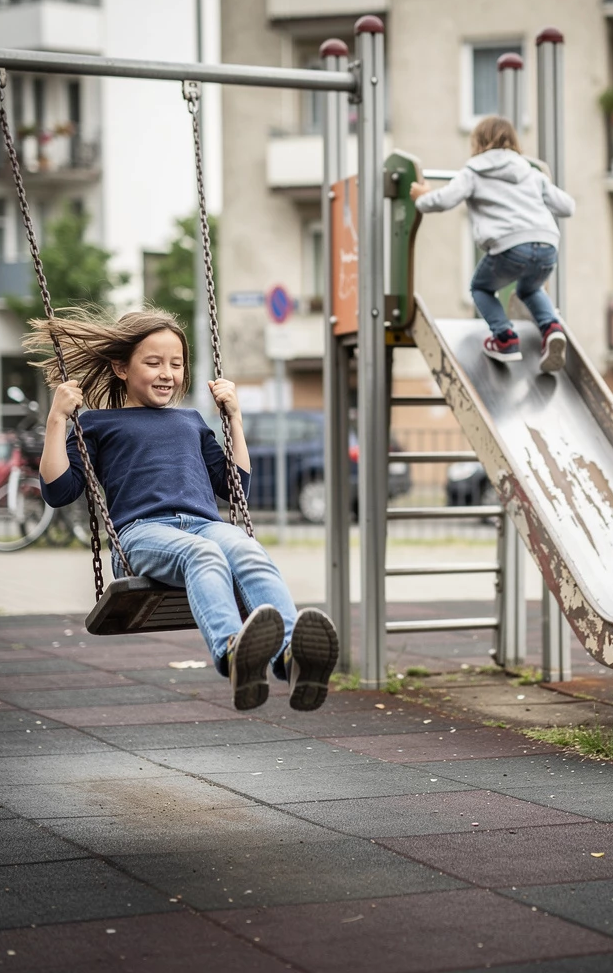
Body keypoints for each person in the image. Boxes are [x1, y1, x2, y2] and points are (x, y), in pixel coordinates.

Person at [30, 308, 338, 714]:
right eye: (153, 362)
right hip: (142, 534)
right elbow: (57, 490)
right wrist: (57, 420)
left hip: (203, 525)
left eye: (176, 364)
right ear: (121, 367)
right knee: (204, 556)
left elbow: (235, 489)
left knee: (247, 550)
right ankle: (233, 653)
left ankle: (289, 657)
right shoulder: (99, 424)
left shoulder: (190, 420)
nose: (167, 373)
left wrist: (235, 419)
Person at [409, 115, 575, 372]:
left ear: (477, 142)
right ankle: (552, 328)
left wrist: (422, 196)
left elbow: (443, 201)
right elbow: (567, 207)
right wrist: (540, 187)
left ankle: (504, 338)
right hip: (547, 246)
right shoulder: (531, 173)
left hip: (510, 247)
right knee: (530, 289)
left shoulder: (473, 171)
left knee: (481, 288)